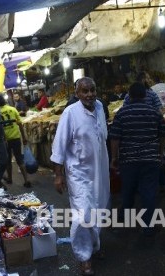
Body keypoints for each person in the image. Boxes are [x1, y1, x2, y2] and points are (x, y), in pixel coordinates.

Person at [50, 77, 110, 275]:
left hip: (100, 172)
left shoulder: (100, 107)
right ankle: (84, 258)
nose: (90, 94)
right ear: (77, 94)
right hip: (79, 174)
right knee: (83, 214)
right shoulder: (70, 113)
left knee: (99, 210)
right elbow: (59, 146)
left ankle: (94, 246)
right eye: (85, 91)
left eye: (92, 90)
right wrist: (58, 175)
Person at [109, 82, 165, 236]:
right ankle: (148, 225)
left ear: (130, 95)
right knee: (148, 192)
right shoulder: (155, 113)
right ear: (144, 95)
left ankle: (124, 218)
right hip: (150, 159)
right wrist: (161, 154)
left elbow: (115, 138)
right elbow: (163, 135)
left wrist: (114, 158)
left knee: (128, 190)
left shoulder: (122, 113)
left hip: (129, 160)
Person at [123, 71, 165, 191]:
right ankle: (162, 184)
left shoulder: (129, 95)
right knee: (156, 157)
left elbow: (124, 111)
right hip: (151, 130)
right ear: (143, 79)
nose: (149, 80)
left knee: (139, 160)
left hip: (135, 133)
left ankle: (141, 186)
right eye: (148, 78)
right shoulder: (151, 94)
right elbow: (160, 111)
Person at [0, 93, 31, 188]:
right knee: (19, 160)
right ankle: (26, 180)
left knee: (8, 160)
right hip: (16, 137)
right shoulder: (13, 109)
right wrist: (24, 137)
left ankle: (10, 178)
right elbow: (20, 124)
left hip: (5, 140)